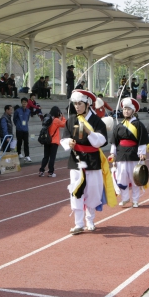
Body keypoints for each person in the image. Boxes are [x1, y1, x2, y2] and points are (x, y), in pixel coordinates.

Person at [60, 89, 109, 234]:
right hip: (76, 159)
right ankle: (78, 223)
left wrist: (89, 132)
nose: (77, 106)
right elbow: (64, 137)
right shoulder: (71, 120)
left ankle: (90, 220)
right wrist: (68, 142)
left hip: (92, 160)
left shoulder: (97, 121)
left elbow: (102, 141)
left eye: (80, 103)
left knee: (93, 191)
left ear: (87, 104)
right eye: (75, 104)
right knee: (76, 190)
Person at [110, 97, 149, 208]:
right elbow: (114, 141)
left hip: (134, 153)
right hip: (121, 154)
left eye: (128, 109)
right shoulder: (119, 126)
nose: (126, 111)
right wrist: (113, 153)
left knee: (135, 177)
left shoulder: (138, 125)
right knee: (121, 177)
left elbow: (142, 140)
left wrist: (142, 152)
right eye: (124, 109)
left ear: (133, 111)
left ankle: (135, 200)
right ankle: (125, 198)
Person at [39, 106, 66, 177]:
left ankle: (41, 170)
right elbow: (64, 124)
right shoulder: (56, 120)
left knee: (46, 157)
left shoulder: (48, 119)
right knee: (52, 157)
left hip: (47, 140)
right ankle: (50, 172)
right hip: (54, 141)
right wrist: (63, 117)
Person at [13, 98, 32, 162]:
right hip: (19, 129)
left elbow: (27, 119)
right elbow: (14, 119)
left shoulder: (28, 111)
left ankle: (27, 155)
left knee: (26, 142)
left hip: (25, 129)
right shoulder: (17, 111)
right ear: (21, 103)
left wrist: (24, 125)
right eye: (23, 102)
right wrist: (18, 125)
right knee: (19, 142)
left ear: (27, 103)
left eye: (25, 102)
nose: (24, 103)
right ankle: (19, 153)